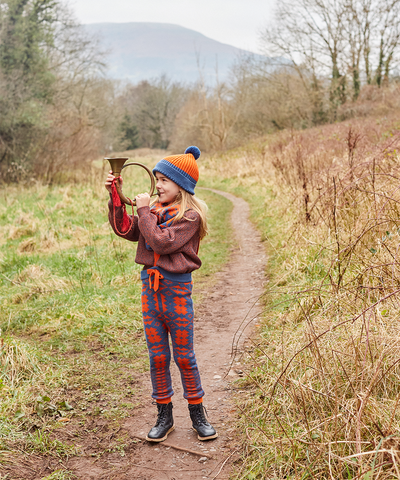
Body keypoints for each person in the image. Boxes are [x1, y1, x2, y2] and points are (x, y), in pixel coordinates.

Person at [104, 146, 218, 443]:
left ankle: (197, 412)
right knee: (157, 357)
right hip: (150, 291)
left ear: (181, 186)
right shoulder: (152, 212)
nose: (157, 186)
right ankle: (164, 414)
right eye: (156, 178)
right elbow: (125, 228)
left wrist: (143, 210)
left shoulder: (190, 218)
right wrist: (116, 197)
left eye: (163, 180)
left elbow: (161, 242)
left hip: (177, 291)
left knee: (184, 357)